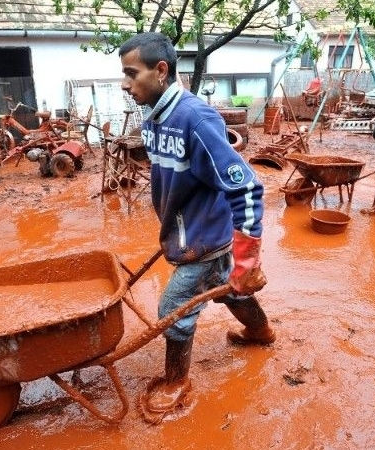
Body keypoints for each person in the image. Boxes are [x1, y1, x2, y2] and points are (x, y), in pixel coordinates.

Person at [118, 32, 275, 421]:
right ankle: (260, 332)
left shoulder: (196, 119)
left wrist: (246, 259)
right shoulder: (154, 116)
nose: (124, 84)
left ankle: (176, 382)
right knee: (229, 293)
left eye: (131, 73)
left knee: (173, 306)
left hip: (203, 240)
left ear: (161, 70)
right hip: (187, 232)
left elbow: (248, 187)